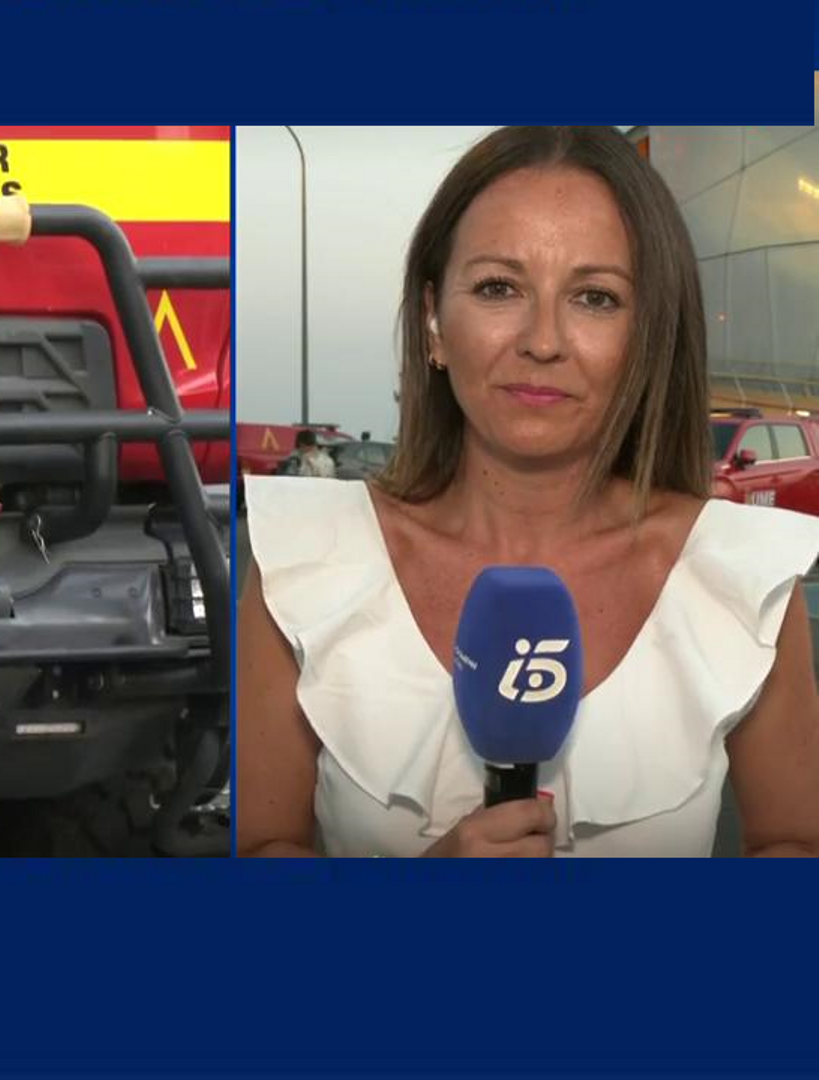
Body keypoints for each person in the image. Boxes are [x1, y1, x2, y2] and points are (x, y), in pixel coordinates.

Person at [237, 126, 819, 858]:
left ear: (648, 335)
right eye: (498, 288)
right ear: (433, 323)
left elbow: (794, 850)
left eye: (596, 298)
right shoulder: (303, 562)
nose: (543, 340)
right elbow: (262, 848)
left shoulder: (744, 578)